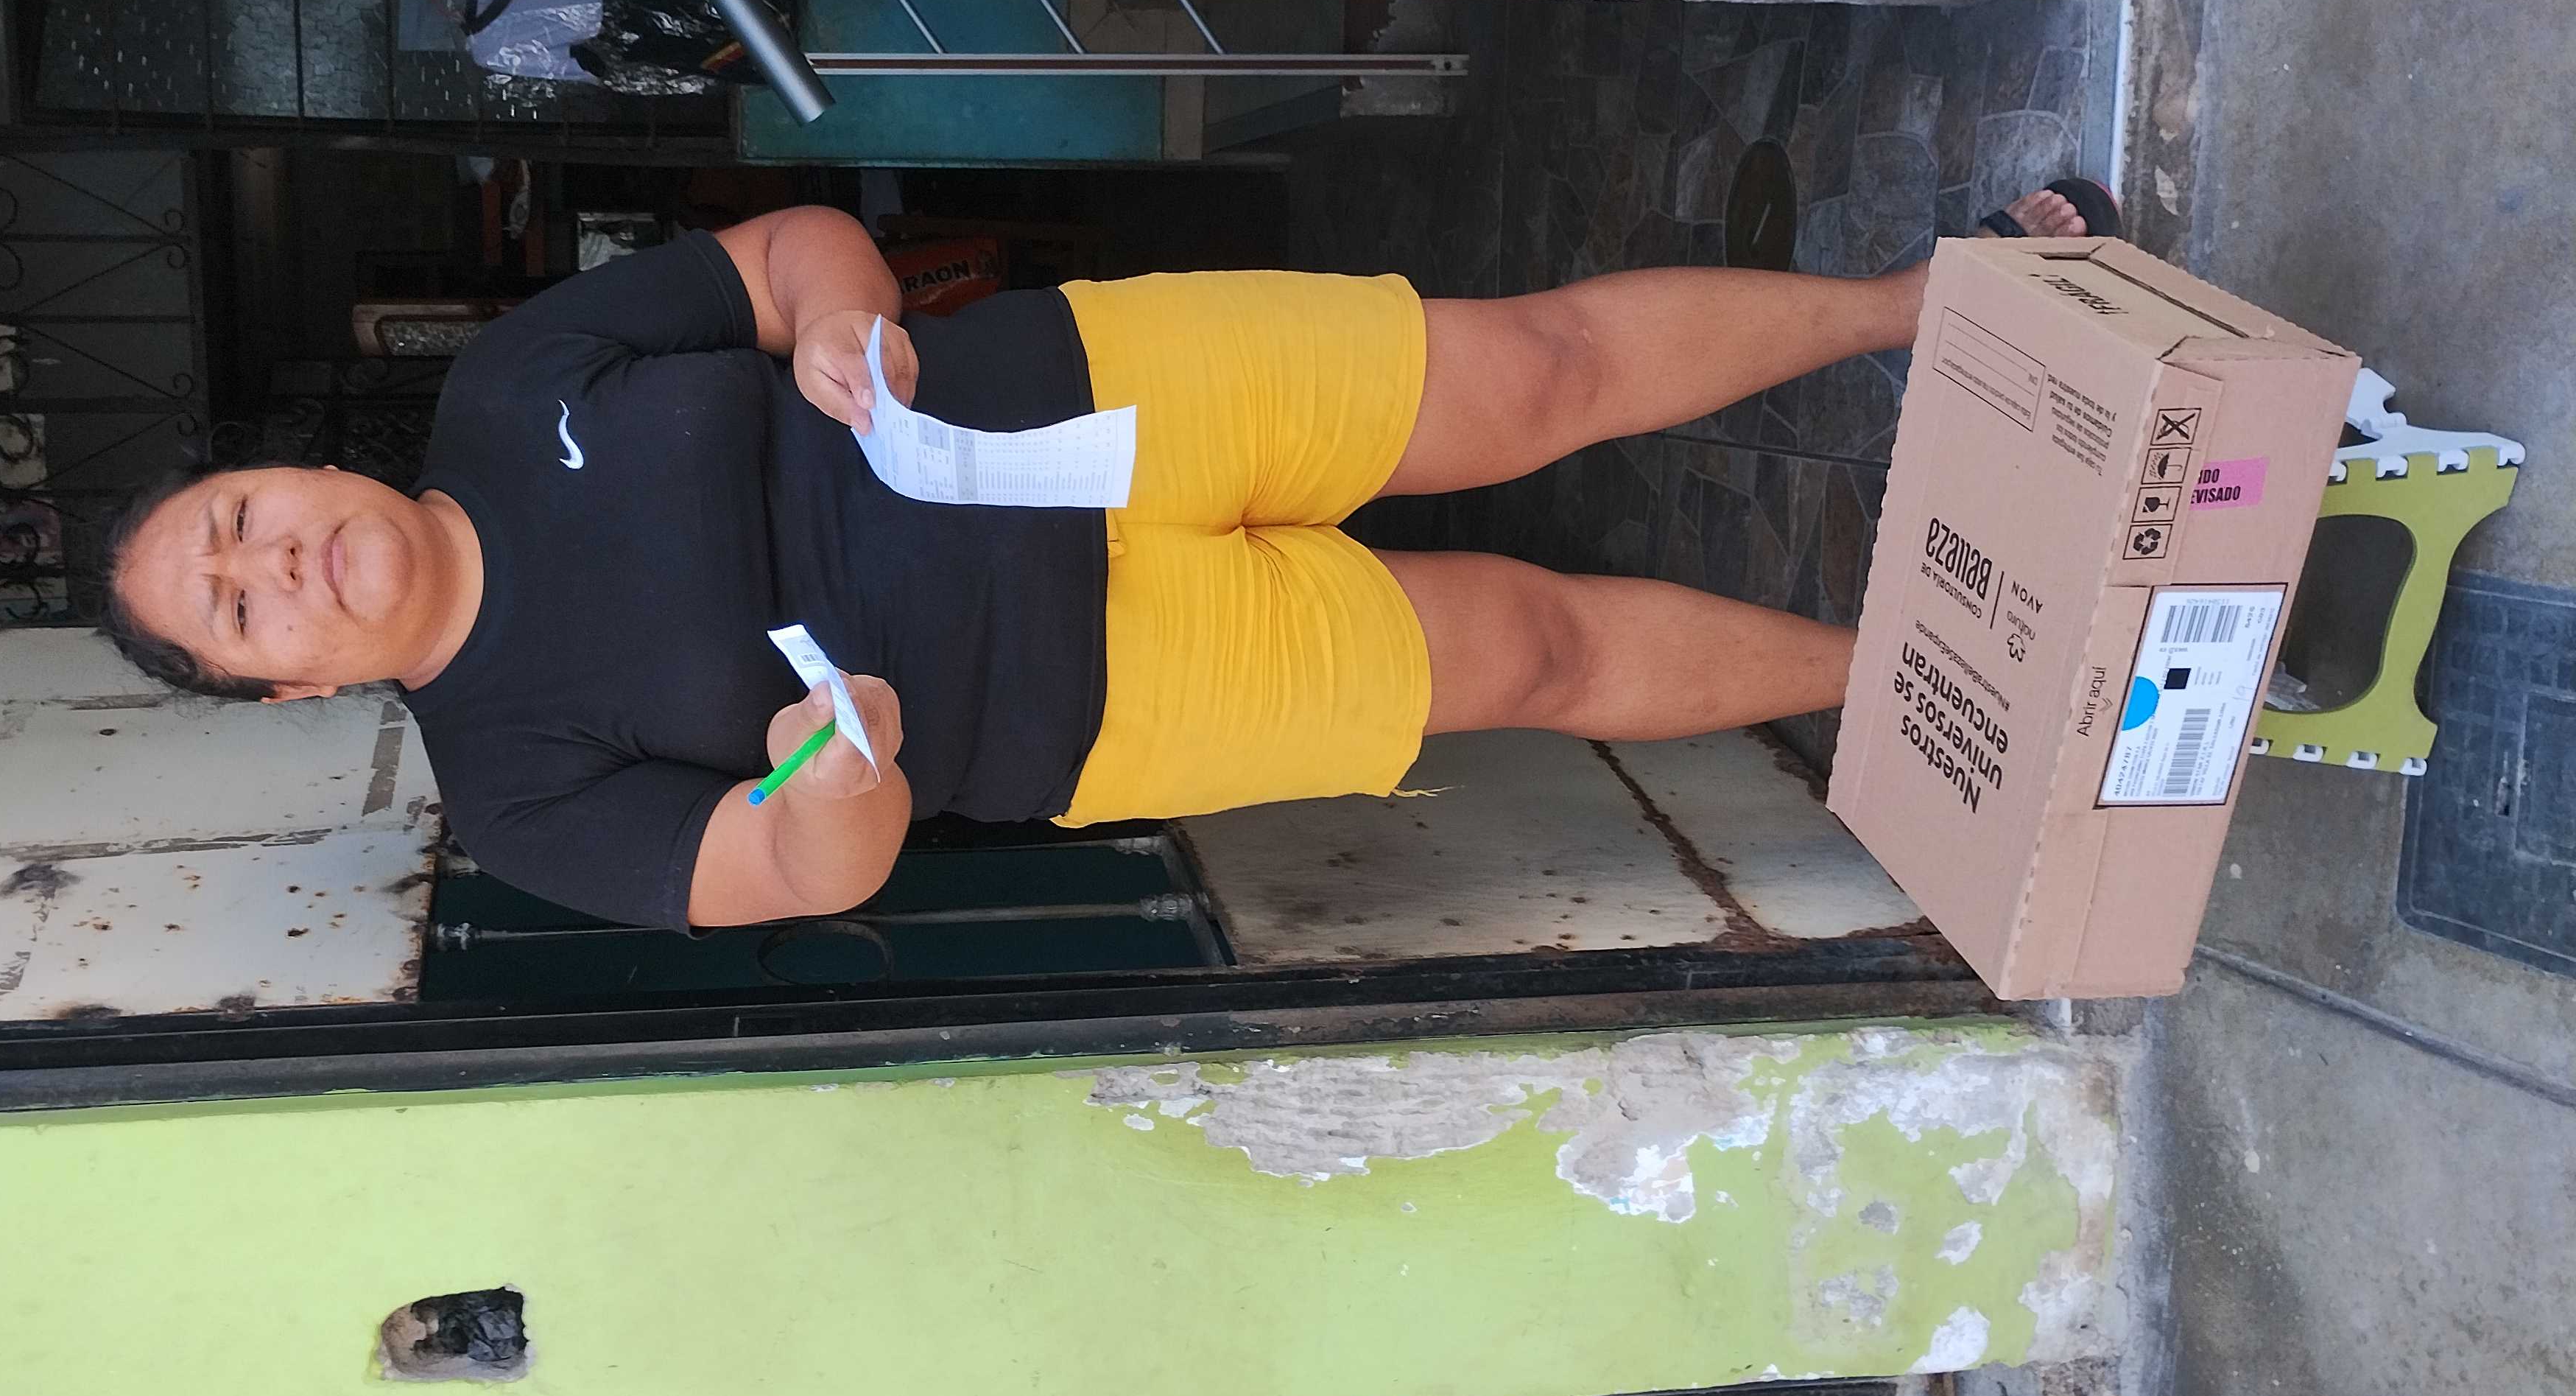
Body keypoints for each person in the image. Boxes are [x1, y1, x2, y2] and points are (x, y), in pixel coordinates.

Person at [103, 188, 2108, 931]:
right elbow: (791, 875)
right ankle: (1929, 675)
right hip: (1097, 697)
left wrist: (843, 322)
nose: (279, 562)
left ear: (290, 468)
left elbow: (791, 252)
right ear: (295, 685)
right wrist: (833, 785)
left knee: (1531, 370)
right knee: (1531, 657)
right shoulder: (517, 796)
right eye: (239, 606)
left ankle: (1934, 300)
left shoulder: (509, 386)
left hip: (1086, 390)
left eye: (240, 520)